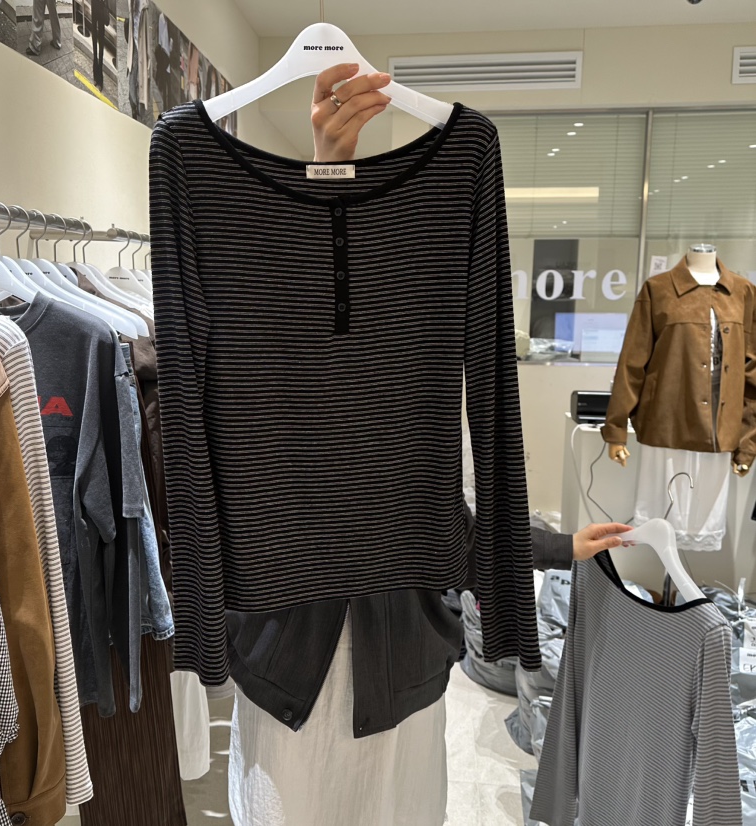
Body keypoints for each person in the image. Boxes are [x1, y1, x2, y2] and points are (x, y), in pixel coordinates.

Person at [224, 65, 634, 826]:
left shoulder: (420, 326)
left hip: (400, 666)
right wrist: (324, 173)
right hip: (284, 666)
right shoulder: (264, 318)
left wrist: (557, 546)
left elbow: (454, 521)